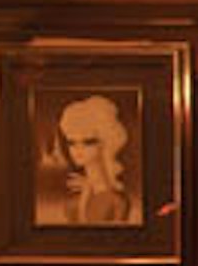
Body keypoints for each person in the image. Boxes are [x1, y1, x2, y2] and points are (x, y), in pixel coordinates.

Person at [42, 92, 137, 227]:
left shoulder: (117, 202)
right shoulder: (72, 204)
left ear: (107, 143)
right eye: (71, 142)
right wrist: (86, 193)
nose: (78, 150)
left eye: (88, 142)